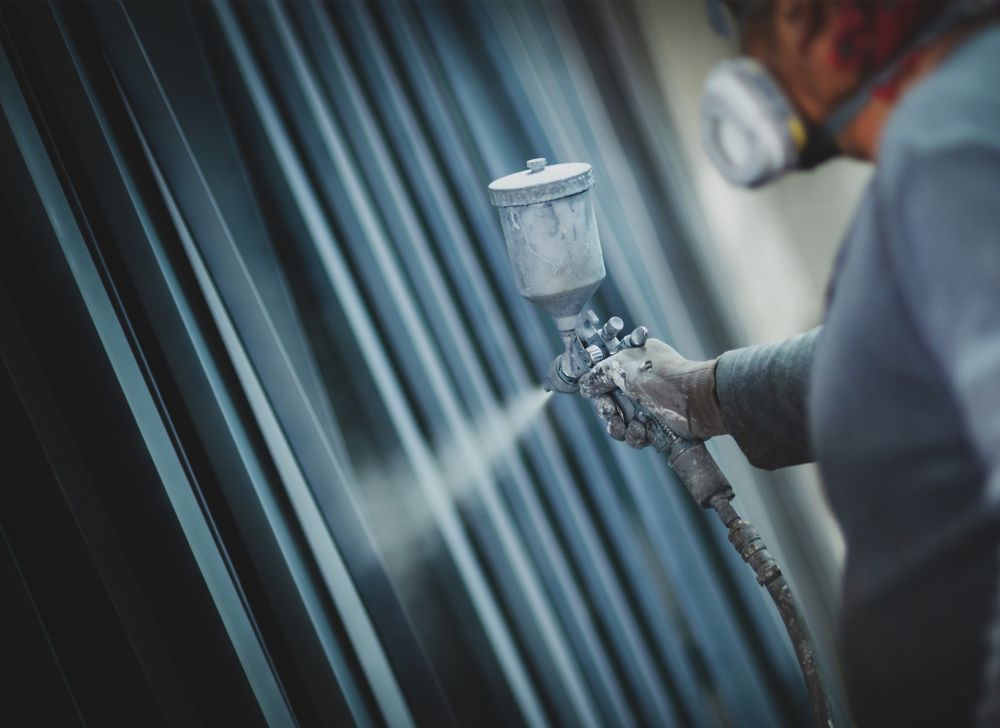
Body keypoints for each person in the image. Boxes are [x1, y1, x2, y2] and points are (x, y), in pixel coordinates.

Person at [578, 1, 1000, 725]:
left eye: (749, 27)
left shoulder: (948, 144)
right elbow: (904, 356)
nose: (749, 62)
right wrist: (702, 395)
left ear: (815, 22)